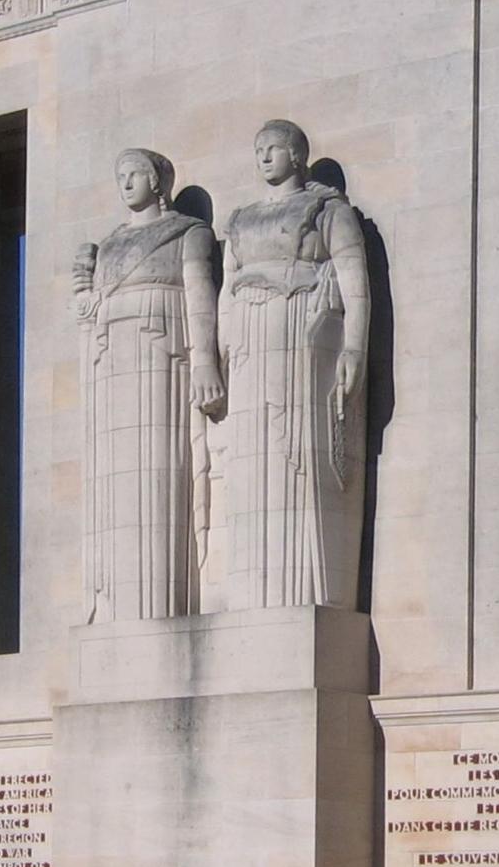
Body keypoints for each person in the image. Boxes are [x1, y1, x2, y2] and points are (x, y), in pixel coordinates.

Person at [202, 118, 374, 612]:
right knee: (252, 460)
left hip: (302, 334)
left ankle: (304, 589)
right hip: (252, 344)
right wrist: (220, 352)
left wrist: (355, 348)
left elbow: (355, 281)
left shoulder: (325, 209)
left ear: (297, 155)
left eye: (273, 148)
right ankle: (251, 593)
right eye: (258, 149)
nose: (264, 156)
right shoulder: (241, 218)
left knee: (299, 452)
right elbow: (225, 292)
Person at [73, 147, 219, 624]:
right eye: (120, 175)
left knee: (161, 471)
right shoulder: (110, 244)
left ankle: (165, 608)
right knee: (116, 486)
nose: (126, 182)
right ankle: (117, 608)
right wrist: (83, 293)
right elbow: (87, 315)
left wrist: (206, 364)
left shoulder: (188, 234)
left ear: (159, 181)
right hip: (115, 367)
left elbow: (200, 300)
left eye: (135, 173)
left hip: (163, 362)